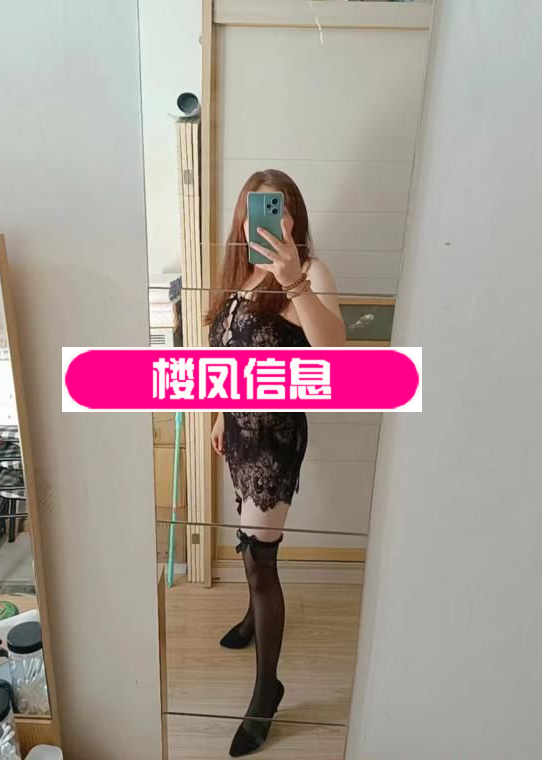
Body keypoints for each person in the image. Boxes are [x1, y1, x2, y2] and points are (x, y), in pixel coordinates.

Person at [206, 170, 346, 756]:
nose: (267, 219)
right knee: (250, 542)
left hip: (275, 439)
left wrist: (293, 282)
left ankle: (268, 692)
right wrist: (220, 414)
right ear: (243, 219)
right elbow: (228, 355)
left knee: (260, 558)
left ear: (294, 217)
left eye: (279, 208)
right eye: (255, 209)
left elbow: (335, 354)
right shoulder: (238, 275)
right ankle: (249, 620)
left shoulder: (309, 271)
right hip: (239, 431)